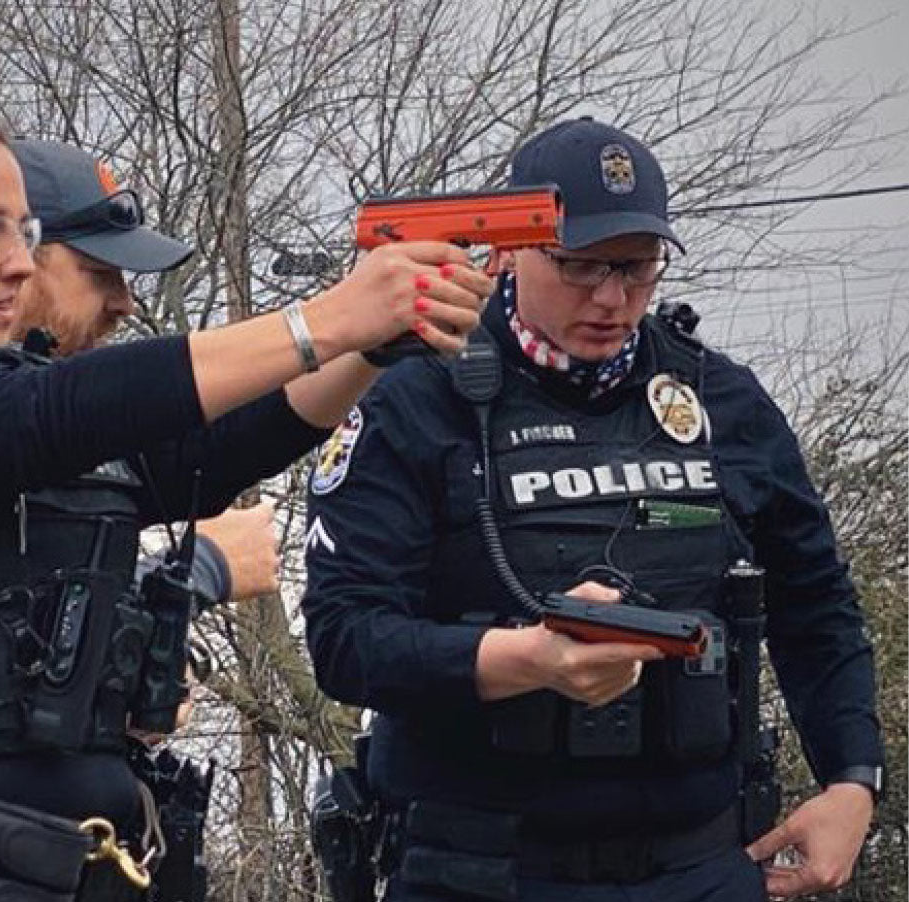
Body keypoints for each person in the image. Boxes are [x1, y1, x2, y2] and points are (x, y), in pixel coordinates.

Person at [0, 22, 490, 902]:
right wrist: (320, 321)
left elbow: (207, 452)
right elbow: (45, 415)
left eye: (25, 231)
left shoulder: (15, 403)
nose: (18, 263)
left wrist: (373, 344)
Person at [302, 117, 883, 902]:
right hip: (481, 868)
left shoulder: (720, 399)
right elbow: (344, 640)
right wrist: (520, 660)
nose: (612, 299)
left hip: (698, 862)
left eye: (636, 270)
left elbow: (814, 604)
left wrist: (851, 780)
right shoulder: (416, 399)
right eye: (579, 267)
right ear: (509, 249)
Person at [6, 137, 280, 613]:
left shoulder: (83, 419)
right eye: (99, 272)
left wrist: (367, 345)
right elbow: (2, 629)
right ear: (14, 259)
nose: (125, 303)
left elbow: (220, 446)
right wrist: (197, 569)